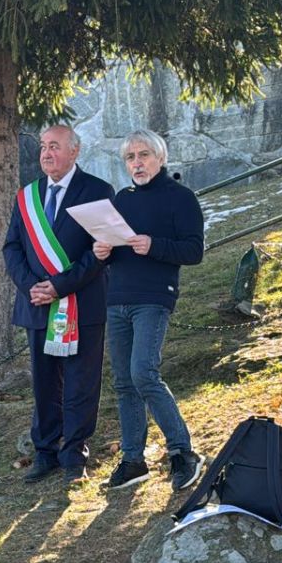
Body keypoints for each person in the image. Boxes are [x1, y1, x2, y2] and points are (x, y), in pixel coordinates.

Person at [92, 129, 205, 491]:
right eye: (130, 158)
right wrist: (102, 251)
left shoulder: (181, 197)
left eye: (144, 155)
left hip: (154, 297)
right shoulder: (121, 200)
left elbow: (194, 251)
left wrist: (154, 245)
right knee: (124, 382)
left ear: (160, 158)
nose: (137, 163)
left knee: (143, 373)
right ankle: (133, 461)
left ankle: (183, 452)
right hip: (117, 297)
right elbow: (114, 248)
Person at [3, 123, 114, 482]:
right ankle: (45, 452)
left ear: (74, 151)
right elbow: (12, 247)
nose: (46, 153)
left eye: (54, 146)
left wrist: (59, 286)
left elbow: (100, 252)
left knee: (81, 382)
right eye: (43, 147)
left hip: (82, 303)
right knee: (44, 382)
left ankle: (74, 455)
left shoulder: (97, 190)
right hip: (37, 304)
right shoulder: (27, 197)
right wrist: (32, 287)